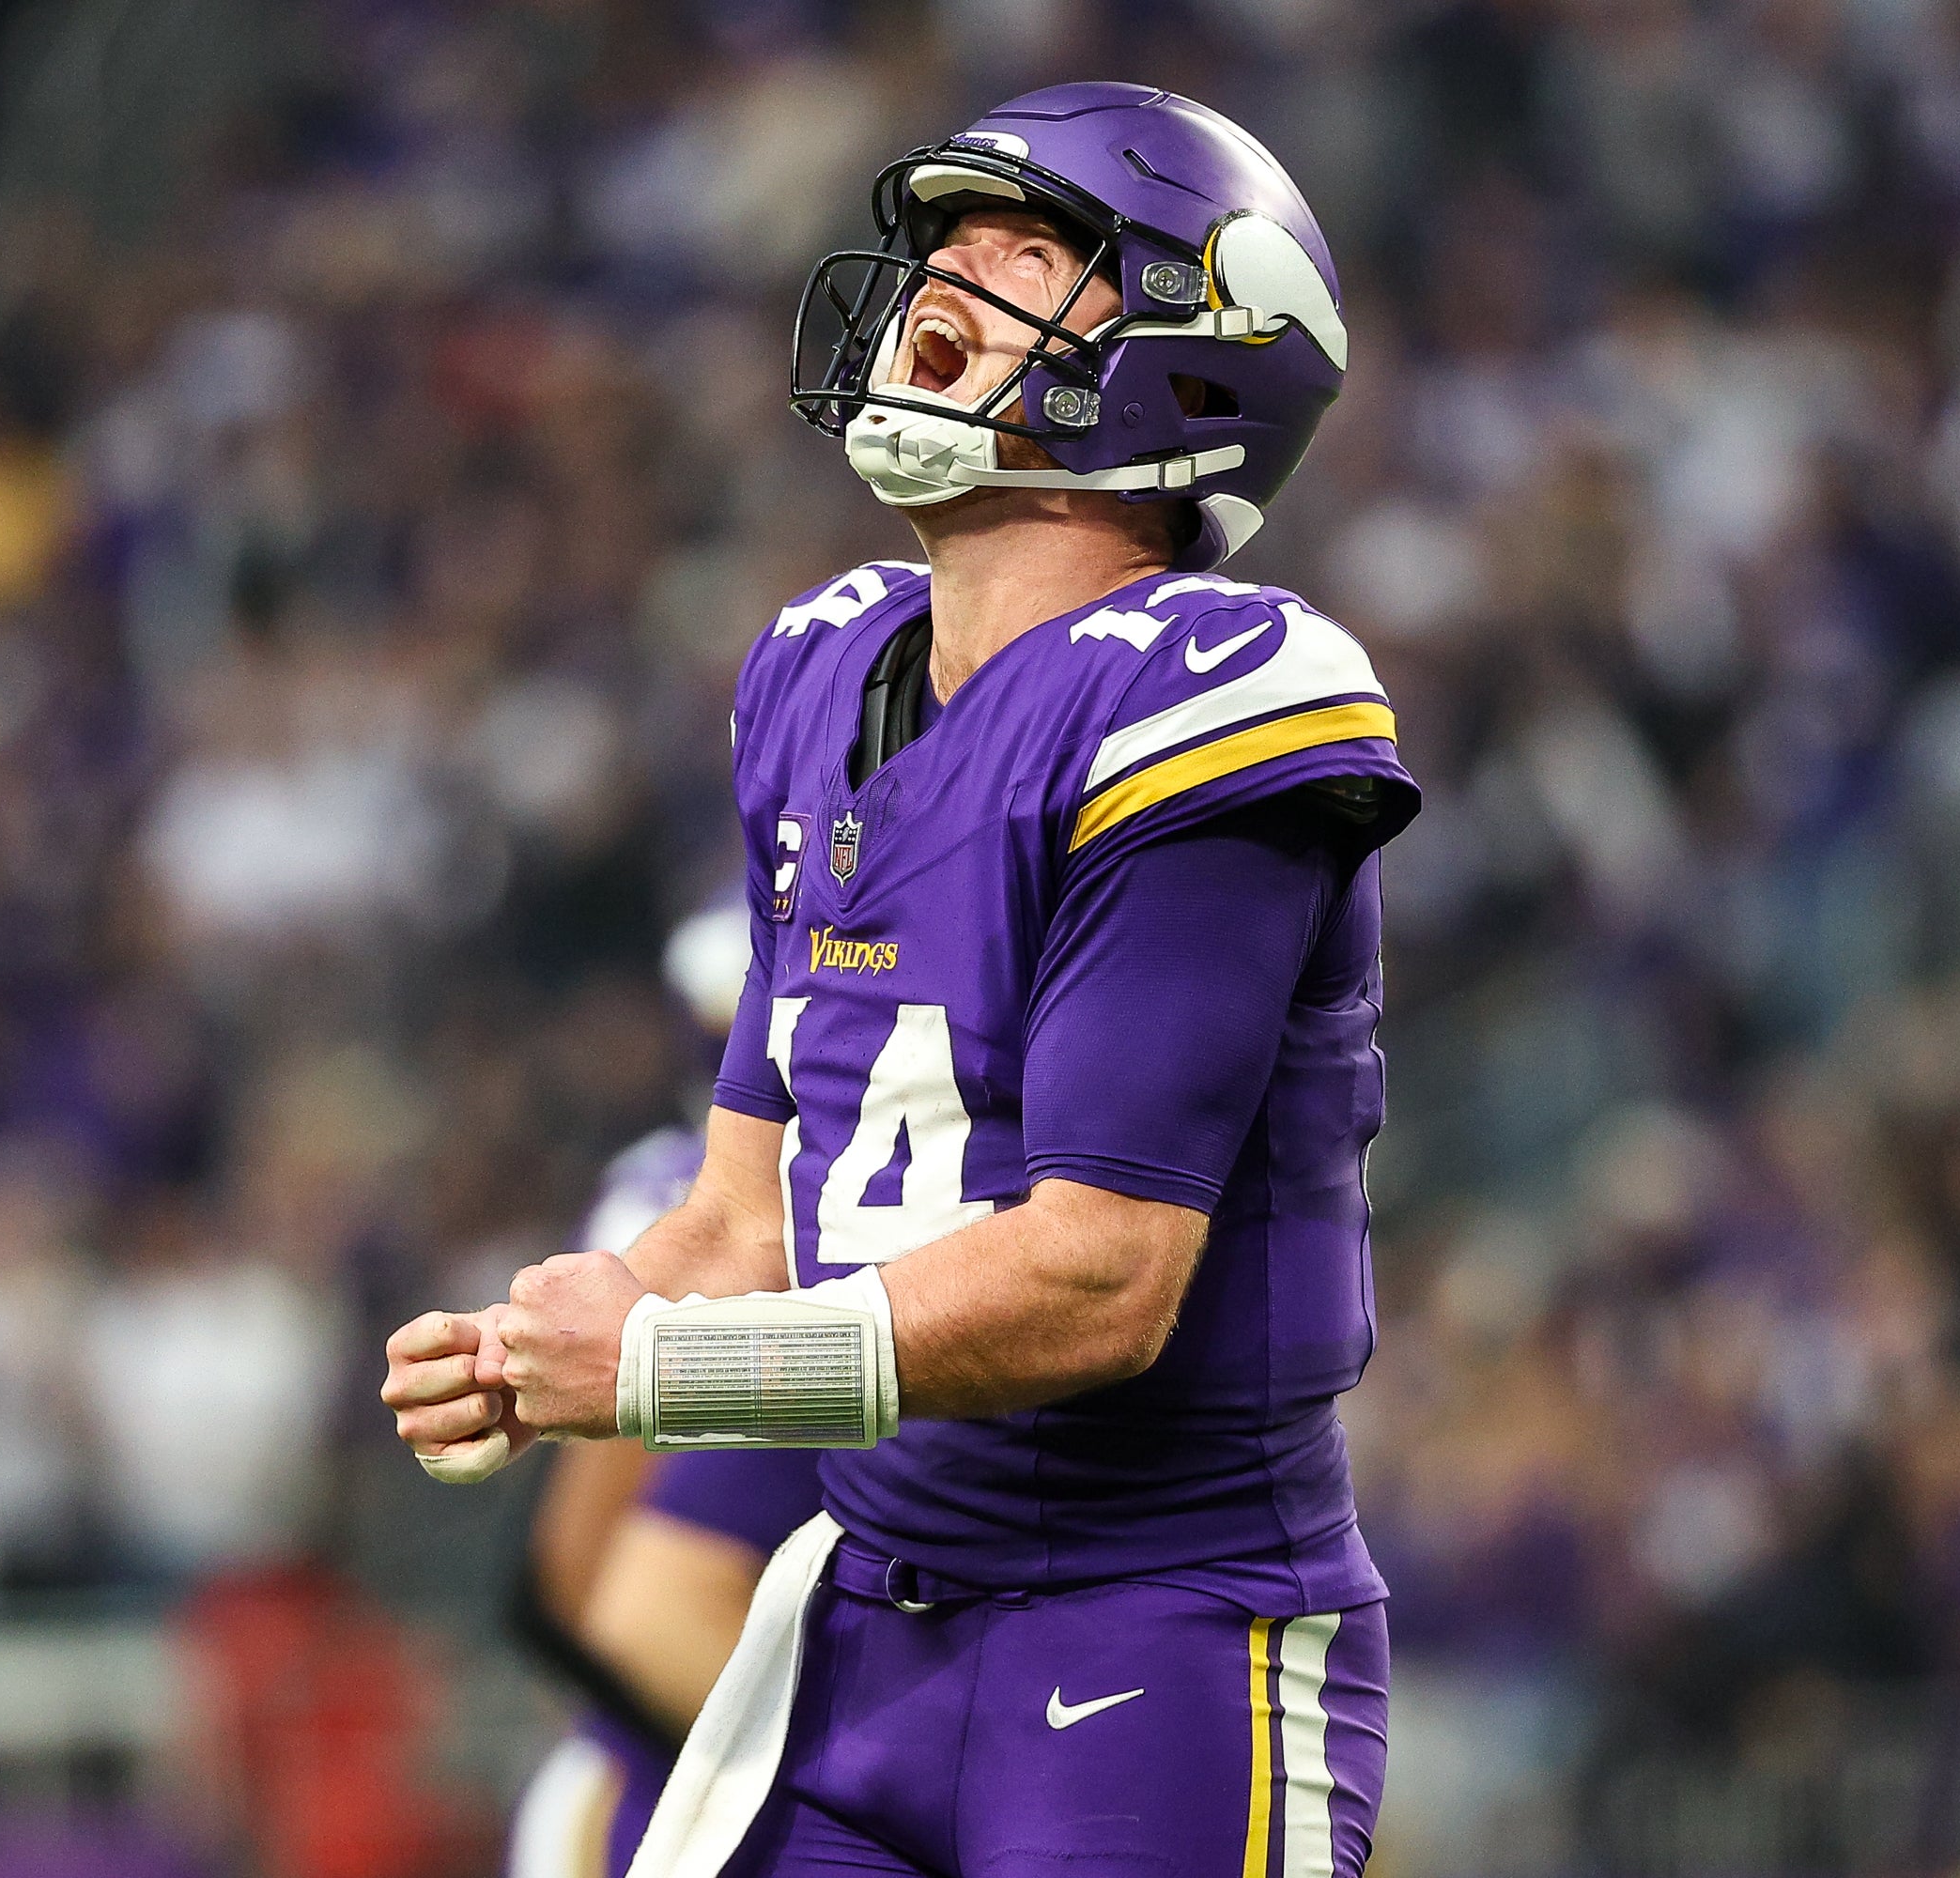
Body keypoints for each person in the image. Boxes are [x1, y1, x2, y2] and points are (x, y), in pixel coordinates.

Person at [386, 83, 1417, 1878]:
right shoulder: (818, 665)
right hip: (868, 1621)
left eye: (1035, 250)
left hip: (1159, 1631)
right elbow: (748, 1212)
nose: (950, 270)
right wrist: (550, 1336)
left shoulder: (1217, 686)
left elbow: (1100, 1279)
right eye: (945, 232)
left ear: (1196, 358)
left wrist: (667, 1375)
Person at [510, 919, 827, 1878]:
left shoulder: (657, 1180)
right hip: (675, 1757)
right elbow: (592, 1573)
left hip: (648, 1744)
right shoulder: (723, 1210)